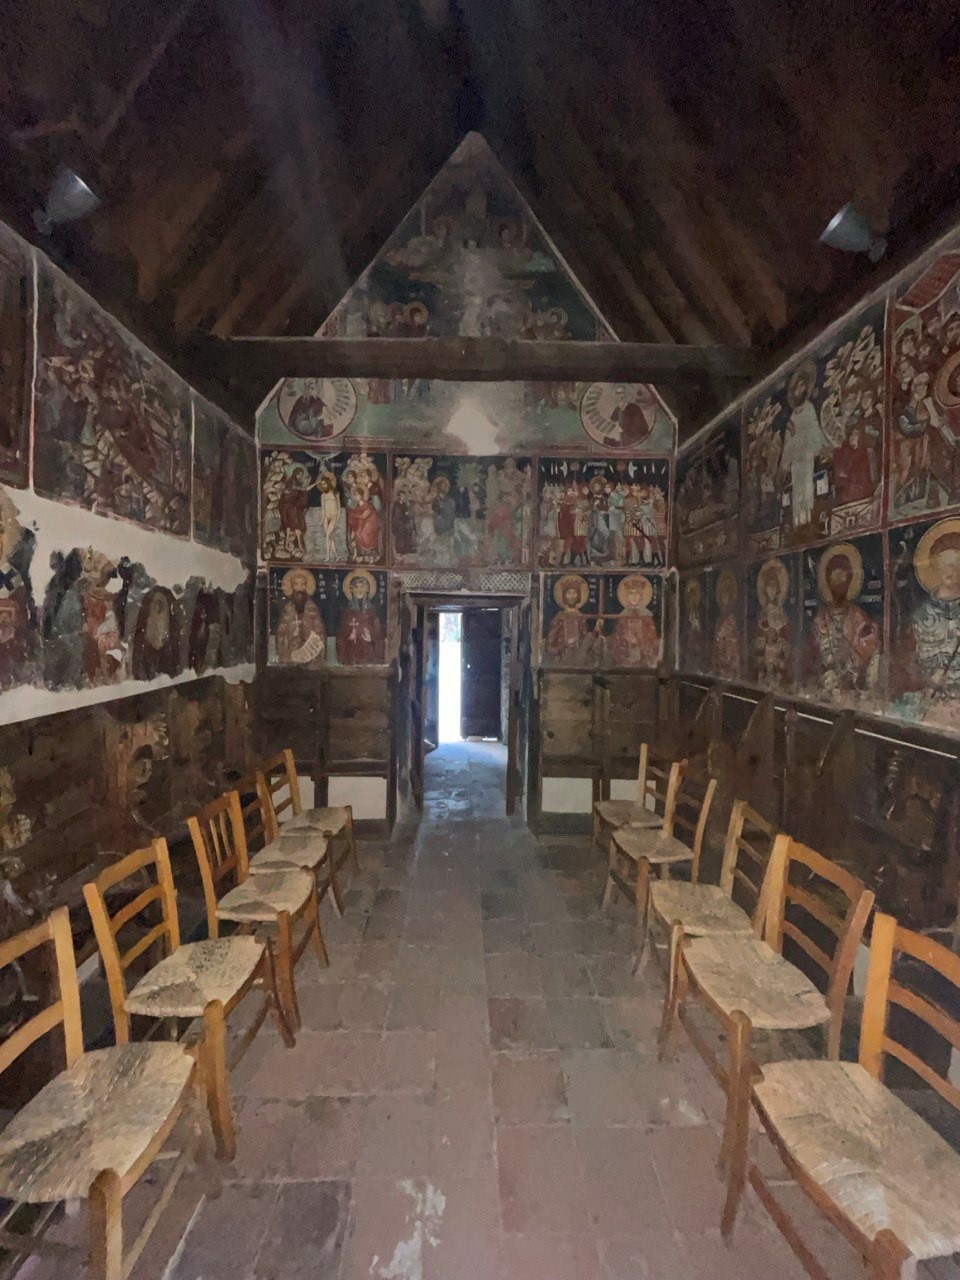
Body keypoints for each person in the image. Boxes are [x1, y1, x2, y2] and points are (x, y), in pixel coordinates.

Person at [805, 547, 879, 695]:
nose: (838, 585)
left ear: (850, 582)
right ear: (828, 582)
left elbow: (869, 655)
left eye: (842, 579)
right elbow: (811, 658)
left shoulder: (860, 619)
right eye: (834, 579)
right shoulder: (820, 619)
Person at [779, 361, 826, 530]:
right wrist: (784, 465)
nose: (800, 389)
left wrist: (819, 446)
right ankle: (798, 522)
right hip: (796, 461)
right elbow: (788, 443)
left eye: (803, 386)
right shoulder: (792, 417)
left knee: (807, 487)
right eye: (798, 386)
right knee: (796, 489)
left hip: (806, 456)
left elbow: (814, 430)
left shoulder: (809, 408)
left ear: (806, 388)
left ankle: (807, 520)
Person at [275, 569, 326, 665]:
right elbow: (281, 635)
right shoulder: (287, 609)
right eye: (296, 584)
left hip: (310, 658)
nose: (299, 588)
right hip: (292, 656)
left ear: (306, 586)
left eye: (302, 584)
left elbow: (319, 633)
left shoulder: (313, 609)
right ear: (292, 587)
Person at [607, 576, 659, 666]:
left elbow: (652, 641)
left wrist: (639, 641)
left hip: (643, 660)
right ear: (627, 597)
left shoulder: (647, 616)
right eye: (631, 593)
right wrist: (625, 640)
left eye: (637, 593)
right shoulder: (623, 616)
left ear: (641, 596)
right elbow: (617, 640)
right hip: (626, 658)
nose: (634, 597)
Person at [336, 570, 385, 665]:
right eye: (356, 587)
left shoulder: (372, 612)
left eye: (362, 587)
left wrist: (371, 638)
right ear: (352, 590)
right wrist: (349, 637)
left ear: (367, 589)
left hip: (368, 655)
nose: (359, 590)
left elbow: (379, 636)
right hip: (351, 657)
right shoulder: (346, 613)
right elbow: (340, 638)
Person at [544, 575, 596, 664]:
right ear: (564, 596)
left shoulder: (581, 617)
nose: (572, 596)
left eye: (574, 593)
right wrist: (561, 648)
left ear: (579, 595)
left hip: (579, 655)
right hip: (562, 655)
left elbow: (585, 638)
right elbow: (550, 641)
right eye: (569, 593)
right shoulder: (560, 617)